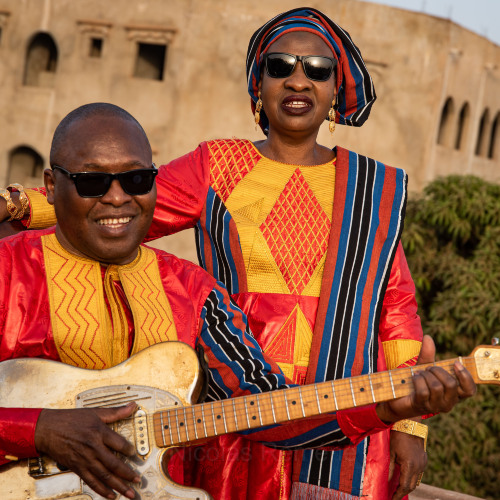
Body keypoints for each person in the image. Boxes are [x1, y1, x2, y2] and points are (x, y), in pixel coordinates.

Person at [0, 9, 477, 500]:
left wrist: (408, 422)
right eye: (280, 66)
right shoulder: (217, 167)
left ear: (337, 88)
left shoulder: (372, 188)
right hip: (226, 403)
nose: (298, 80)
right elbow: (122, 205)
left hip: (334, 413)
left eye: (317, 69)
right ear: (258, 83)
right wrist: (16, 204)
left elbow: (396, 309)